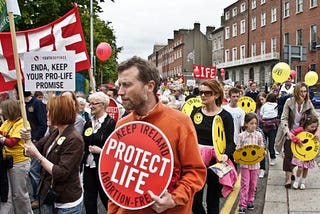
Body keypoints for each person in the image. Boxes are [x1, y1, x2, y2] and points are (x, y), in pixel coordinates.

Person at [108, 56, 206, 213]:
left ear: (149, 86)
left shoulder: (180, 122)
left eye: (127, 85)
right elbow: (115, 180)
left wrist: (174, 199)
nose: (120, 92)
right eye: (120, 85)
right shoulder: (121, 125)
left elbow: (195, 172)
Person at [21, 96, 84, 213]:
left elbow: (61, 172)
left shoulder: (74, 139)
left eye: (50, 111)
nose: (47, 114)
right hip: (50, 196)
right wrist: (27, 138)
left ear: (60, 113)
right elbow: (34, 148)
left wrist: (39, 157)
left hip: (66, 202)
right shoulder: (56, 132)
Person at [190, 80, 235, 214]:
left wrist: (226, 154)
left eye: (207, 93)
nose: (203, 95)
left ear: (216, 95)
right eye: (201, 92)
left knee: (212, 202)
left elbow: (230, 143)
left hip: (216, 163)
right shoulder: (195, 113)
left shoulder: (225, 116)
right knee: (195, 201)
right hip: (197, 161)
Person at [275, 82, 320, 188]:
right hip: (290, 131)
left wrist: (317, 131)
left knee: (300, 156)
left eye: (305, 91)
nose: (303, 94)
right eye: (301, 91)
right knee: (288, 155)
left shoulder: (308, 103)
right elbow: (284, 118)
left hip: (303, 134)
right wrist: (288, 132)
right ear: (296, 92)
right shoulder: (289, 102)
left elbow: (317, 118)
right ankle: (289, 178)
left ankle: (298, 174)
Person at [14, 83, 47, 209]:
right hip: (24, 143)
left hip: (34, 142)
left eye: (16, 91)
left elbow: (43, 125)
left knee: (34, 171)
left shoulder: (37, 104)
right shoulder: (21, 105)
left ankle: (39, 198)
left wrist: (33, 139)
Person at [82, 91, 116, 214]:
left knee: (105, 198)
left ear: (102, 105)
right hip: (88, 166)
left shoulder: (111, 124)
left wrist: (101, 151)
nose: (91, 106)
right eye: (90, 104)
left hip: (103, 168)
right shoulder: (89, 123)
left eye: (93, 104)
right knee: (89, 198)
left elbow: (115, 149)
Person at [0, 99, 32, 214]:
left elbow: (12, 142)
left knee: (19, 194)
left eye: (4, 110)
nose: (2, 112)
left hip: (19, 162)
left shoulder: (22, 122)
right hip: (7, 162)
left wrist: (2, 139)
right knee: (7, 193)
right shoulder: (7, 122)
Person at [236, 113, 266, 214]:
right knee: (245, 184)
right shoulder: (241, 136)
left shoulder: (258, 135)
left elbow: (261, 147)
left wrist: (263, 152)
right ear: (246, 124)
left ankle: (250, 200)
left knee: (253, 184)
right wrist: (237, 156)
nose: (254, 125)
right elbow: (238, 149)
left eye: (255, 123)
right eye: (251, 123)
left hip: (255, 165)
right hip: (245, 165)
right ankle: (242, 204)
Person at [291, 114, 318, 190]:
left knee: (306, 168)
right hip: (300, 153)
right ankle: (296, 181)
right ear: (307, 124)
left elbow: (315, 143)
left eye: (315, 127)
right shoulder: (300, 130)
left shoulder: (313, 133)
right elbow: (292, 134)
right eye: (312, 127)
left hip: (308, 154)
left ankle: (303, 182)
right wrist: (297, 140)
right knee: (300, 168)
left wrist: (316, 137)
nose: (313, 128)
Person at [260, 93, 279, 166]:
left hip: (264, 126)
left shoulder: (264, 105)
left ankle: (262, 161)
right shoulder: (276, 105)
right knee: (271, 143)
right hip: (273, 127)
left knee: (263, 144)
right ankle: (272, 157)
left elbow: (261, 114)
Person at [256, 92, 267, 178]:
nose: (261, 101)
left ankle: (262, 169)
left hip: (264, 128)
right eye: (259, 100)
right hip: (257, 128)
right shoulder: (256, 107)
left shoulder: (268, 106)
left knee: (262, 149)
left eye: (262, 99)